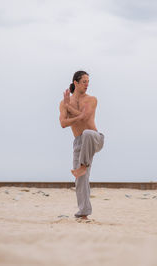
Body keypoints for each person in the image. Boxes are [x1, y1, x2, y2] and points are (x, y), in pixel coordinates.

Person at [59, 70, 105, 220]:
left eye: (88, 81)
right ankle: (83, 213)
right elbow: (63, 123)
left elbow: (85, 118)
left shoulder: (92, 100)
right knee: (81, 179)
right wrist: (69, 108)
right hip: (79, 142)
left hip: (94, 138)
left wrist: (70, 109)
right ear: (76, 83)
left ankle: (83, 165)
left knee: (87, 133)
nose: (87, 84)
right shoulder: (64, 102)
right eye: (84, 81)